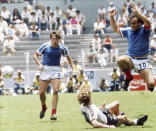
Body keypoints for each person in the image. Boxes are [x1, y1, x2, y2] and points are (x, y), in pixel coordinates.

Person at [109, 3, 155, 91]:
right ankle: (129, 77)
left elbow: (148, 22)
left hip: (143, 60)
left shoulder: (145, 29)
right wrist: (111, 17)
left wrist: (137, 13)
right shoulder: (128, 30)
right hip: (131, 59)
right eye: (131, 23)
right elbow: (115, 29)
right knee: (120, 59)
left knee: (151, 85)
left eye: (134, 23)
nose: (132, 25)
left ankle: (146, 75)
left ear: (140, 23)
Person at [34, 31, 73, 120]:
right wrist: (39, 64)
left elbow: (69, 58)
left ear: (59, 39)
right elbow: (35, 55)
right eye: (53, 38)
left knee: (55, 90)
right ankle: (44, 107)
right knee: (41, 92)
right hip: (45, 69)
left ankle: (53, 113)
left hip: (56, 70)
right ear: (51, 38)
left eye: (56, 38)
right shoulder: (45, 46)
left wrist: (73, 69)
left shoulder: (63, 48)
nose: (54, 40)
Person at [77, 87, 148, 128]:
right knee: (124, 118)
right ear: (89, 97)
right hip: (107, 121)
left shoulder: (83, 105)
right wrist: (108, 127)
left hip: (103, 113)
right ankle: (137, 122)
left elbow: (92, 111)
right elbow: (94, 123)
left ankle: (119, 118)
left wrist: (100, 108)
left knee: (116, 103)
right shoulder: (91, 110)